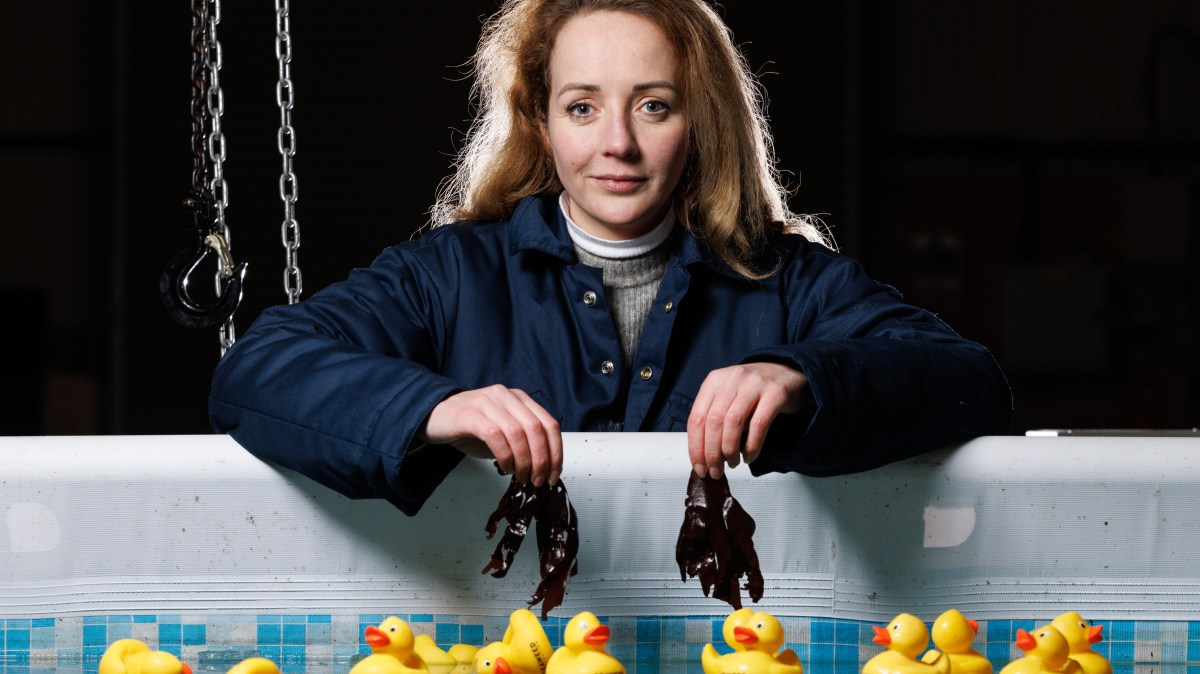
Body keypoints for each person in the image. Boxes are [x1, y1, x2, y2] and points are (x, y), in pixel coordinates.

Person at [208, 0, 1012, 516]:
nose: (617, 144)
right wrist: (431, 410)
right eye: (583, 107)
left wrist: (797, 378)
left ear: (701, 120)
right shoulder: (449, 276)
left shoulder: (788, 280)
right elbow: (256, 372)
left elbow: (971, 383)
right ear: (540, 118)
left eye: (653, 106)